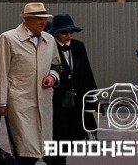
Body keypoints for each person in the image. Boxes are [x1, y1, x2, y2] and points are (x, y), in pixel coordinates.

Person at [0, 2, 61, 165]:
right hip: (19, 101)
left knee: (41, 148)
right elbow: (1, 71)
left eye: (44, 18)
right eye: (38, 18)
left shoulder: (49, 39)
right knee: (25, 148)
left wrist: (52, 77)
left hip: (43, 101)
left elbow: (56, 65)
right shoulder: (8, 38)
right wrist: (1, 102)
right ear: (27, 19)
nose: (43, 22)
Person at [46, 14, 97, 165]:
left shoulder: (78, 47)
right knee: (58, 139)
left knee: (71, 139)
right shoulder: (48, 48)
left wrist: (92, 100)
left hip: (75, 103)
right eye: (64, 32)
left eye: (71, 32)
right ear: (55, 33)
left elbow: (86, 74)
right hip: (56, 104)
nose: (68, 36)